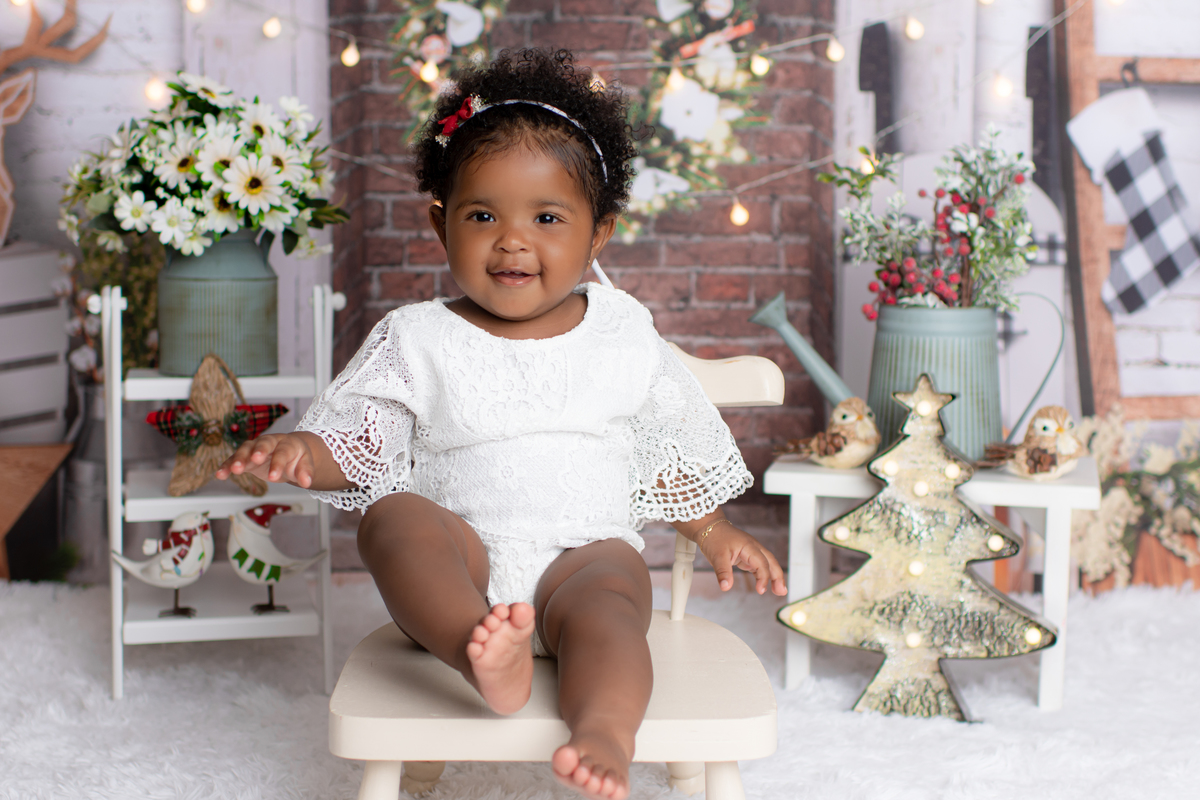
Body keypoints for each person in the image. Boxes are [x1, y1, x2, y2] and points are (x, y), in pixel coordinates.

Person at [216, 48, 786, 800]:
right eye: (483, 215)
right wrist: (300, 452)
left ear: (599, 235)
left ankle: (606, 733)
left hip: (586, 558)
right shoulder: (415, 337)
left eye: (547, 218)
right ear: (440, 221)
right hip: (464, 557)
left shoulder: (621, 330)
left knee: (614, 617)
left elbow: (666, 438)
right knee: (392, 520)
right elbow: (361, 442)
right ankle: (478, 650)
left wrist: (714, 532)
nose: (513, 240)